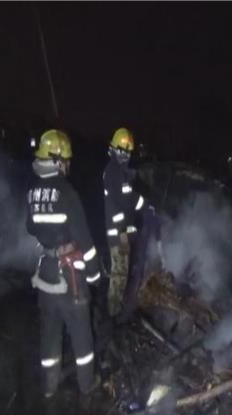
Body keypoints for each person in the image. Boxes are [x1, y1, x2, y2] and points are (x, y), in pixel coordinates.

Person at [26, 129, 101, 398]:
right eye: (66, 160)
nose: (68, 165)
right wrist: (94, 274)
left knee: (50, 334)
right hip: (71, 278)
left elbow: (30, 227)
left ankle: (49, 387)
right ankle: (87, 386)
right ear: (57, 161)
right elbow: (85, 239)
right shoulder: (68, 193)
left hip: (46, 272)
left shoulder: (33, 192)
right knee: (82, 336)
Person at [103, 128, 143, 318]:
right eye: (122, 151)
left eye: (128, 152)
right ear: (114, 149)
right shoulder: (113, 172)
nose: (126, 155)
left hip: (123, 233)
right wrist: (123, 233)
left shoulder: (120, 172)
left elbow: (128, 199)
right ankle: (112, 316)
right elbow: (117, 206)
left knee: (122, 275)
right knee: (118, 277)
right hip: (118, 235)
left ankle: (115, 311)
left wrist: (144, 204)